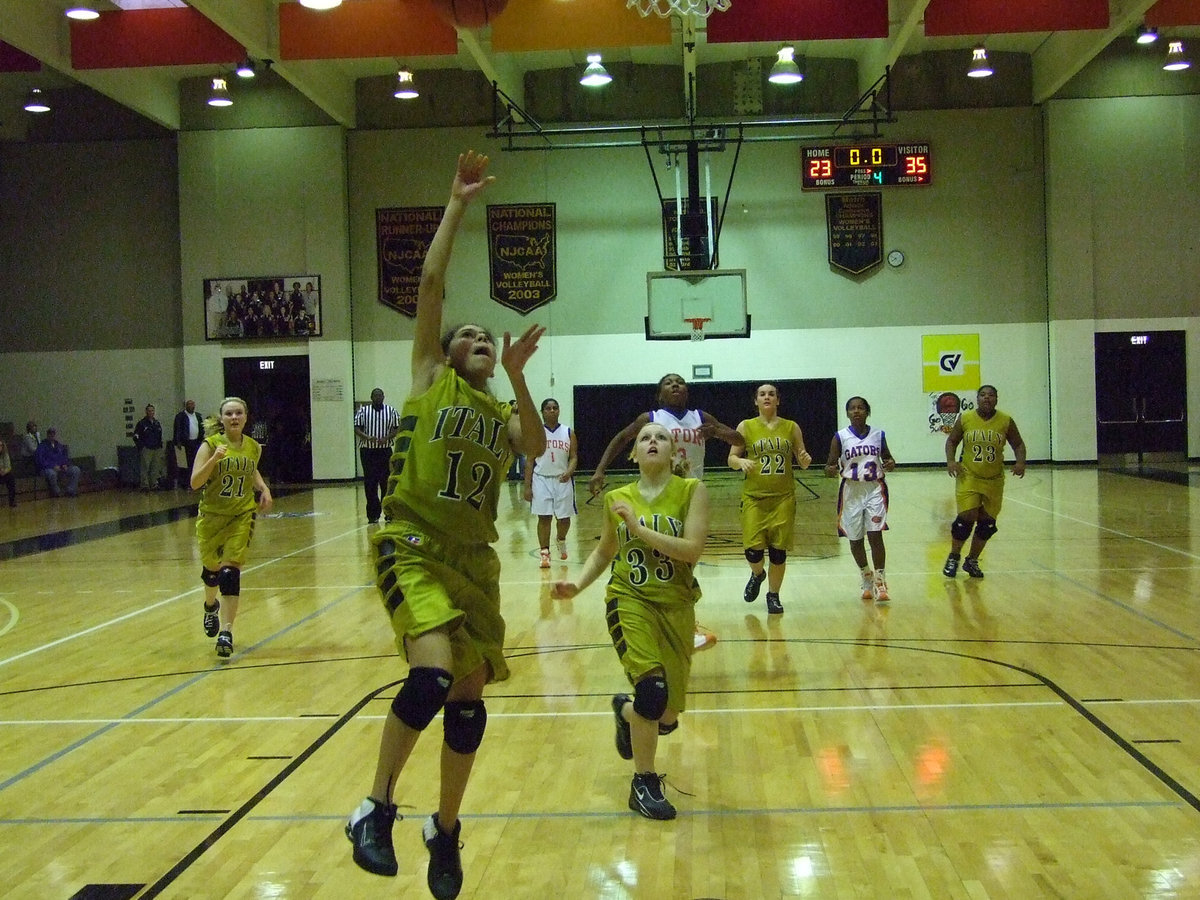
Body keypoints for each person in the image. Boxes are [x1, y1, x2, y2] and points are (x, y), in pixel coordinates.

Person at [345, 151, 546, 900]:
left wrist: (522, 375)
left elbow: (534, 447)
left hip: (476, 565)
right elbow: (431, 285)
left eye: (487, 338)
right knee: (429, 675)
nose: (478, 340)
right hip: (413, 546)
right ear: (447, 351)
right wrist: (456, 202)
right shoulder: (430, 377)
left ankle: (446, 828)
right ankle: (375, 806)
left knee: (466, 707)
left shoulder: (498, 409)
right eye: (469, 335)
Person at [552, 422, 710, 821]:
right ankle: (644, 782)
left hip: (675, 606)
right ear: (633, 454)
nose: (652, 441)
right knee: (653, 693)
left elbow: (691, 551)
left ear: (675, 453)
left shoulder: (692, 492)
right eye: (644, 438)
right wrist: (577, 584)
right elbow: (606, 552)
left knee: (666, 717)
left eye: (660, 438)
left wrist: (639, 528)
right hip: (630, 599)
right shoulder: (617, 498)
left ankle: (624, 712)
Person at [587, 373, 741, 651]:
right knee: (671, 563)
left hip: (690, 495)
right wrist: (599, 470)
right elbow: (622, 438)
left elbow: (738, 437)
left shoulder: (700, 416)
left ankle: (678, 623)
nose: (675, 385)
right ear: (660, 394)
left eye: (680, 382)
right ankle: (671, 622)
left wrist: (715, 432)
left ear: (687, 390)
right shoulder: (652, 418)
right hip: (661, 492)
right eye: (669, 382)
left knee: (686, 562)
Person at [191, 397, 273, 658]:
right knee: (212, 571)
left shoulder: (253, 447)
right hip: (212, 516)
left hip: (241, 514)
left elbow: (250, 471)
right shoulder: (210, 445)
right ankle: (209, 605)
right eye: (229, 414)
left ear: (246, 417)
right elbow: (195, 482)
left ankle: (226, 631)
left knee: (229, 573)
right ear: (222, 418)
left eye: (238, 413)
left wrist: (263, 488)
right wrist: (214, 459)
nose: (234, 417)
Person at [728, 383, 812, 615]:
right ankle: (758, 574)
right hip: (754, 497)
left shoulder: (791, 427)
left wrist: (805, 460)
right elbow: (731, 458)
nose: (767, 397)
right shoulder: (745, 427)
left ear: (778, 400)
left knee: (778, 551)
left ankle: (773, 595)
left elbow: (802, 460)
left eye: (771, 394)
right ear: (755, 401)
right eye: (762, 394)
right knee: (753, 551)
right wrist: (740, 462)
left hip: (783, 498)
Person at [943, 384, 1026, 579]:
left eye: (991, 395)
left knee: (987, 524)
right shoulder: (966, 418)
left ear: (997, 399)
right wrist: (951, 461)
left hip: (994, 479)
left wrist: (1020, 462)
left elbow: (1018, 443)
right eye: (983, 395)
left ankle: (971, 560)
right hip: (969, 476)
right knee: (966, 518)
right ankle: (954, 556)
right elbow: (952, 441)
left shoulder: (1005, 420)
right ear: (977, 398)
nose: (987, 398)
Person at [824, 396, 896, 602]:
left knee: (875, 535)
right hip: (851, 491)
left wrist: (891, 463)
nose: (856, 411)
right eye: (852, 408)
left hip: (874, 488)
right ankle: (866, 575)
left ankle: (880, 580)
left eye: (860, 408)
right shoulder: (840, 436)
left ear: (867, 411)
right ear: (847, 413)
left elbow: (888, 458)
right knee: (855, 539)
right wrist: (829, 469)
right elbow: (830, 465)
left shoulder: (878, 435)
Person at [523, 397, 577, 567]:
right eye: (548, 408)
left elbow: (574, 456)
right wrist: (527, 487)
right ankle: (544, 552)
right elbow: (530, 460)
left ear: (559, 410)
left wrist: (569, 471)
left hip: (562, 479)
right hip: (541, 479)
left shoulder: (569, 432)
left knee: (564, 518)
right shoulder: (537, 433)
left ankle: (561, 539)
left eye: (555, 407)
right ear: (542, 412)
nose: (552, 410)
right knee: (544, 517)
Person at [354, 388, 400, 525]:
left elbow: (397, 427)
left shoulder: (391, 411)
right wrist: (367, 437)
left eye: (380, 395)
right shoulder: (363, 411)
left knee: (386, 482)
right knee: (370, 483)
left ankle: (388, 513)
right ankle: (372, 515)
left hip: (385, 451)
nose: (378, 397)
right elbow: (356, 427)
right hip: (368, 451)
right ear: (371, 397)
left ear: (384, 397)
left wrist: (387, 438)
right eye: (375, 395)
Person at [34, 428, 81, 497]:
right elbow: (40, 461)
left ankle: (70, 490)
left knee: (76, 470)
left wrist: (65, 464)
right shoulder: (42, 446)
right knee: (52, 474)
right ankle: (57, 492)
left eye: (53, 434)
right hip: (47, 468)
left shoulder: (59, 446)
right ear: (48, 435)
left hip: (61, 467)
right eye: (50, 434)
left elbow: (64, 457)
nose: (52, 435)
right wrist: (52, 466)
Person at [133, 403, 165, 491]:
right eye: (149, 411)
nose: (151, 412)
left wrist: (160, 446)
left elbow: (159, 435)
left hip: (156, 448)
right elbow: (136, 436)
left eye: (152, 411)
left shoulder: (156, 423)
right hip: (146, 448)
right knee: (145, 468)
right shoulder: (141, 424)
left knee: (155, 467)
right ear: (146, 412)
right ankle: (145, 485)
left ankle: (154, 484)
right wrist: (141, 446)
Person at [174, 400, 204, 489]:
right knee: (185, 464)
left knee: (196, 463)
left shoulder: (198, 416)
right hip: (185, 443)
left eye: (193, 405)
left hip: (196, 442)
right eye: (189, 405)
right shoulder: (181, 416)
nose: (192, 406)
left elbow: (201, 428)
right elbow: (177, 429)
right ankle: (186, 483)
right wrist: (178, 441)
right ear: (186, 406)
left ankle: (197, 482)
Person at [0, 439, 16, 507]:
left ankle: (11, 501)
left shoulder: (5, 454)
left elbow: (8, 466)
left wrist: (4, 471)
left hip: (4, 473)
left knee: (11, 478)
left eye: (0, 445)